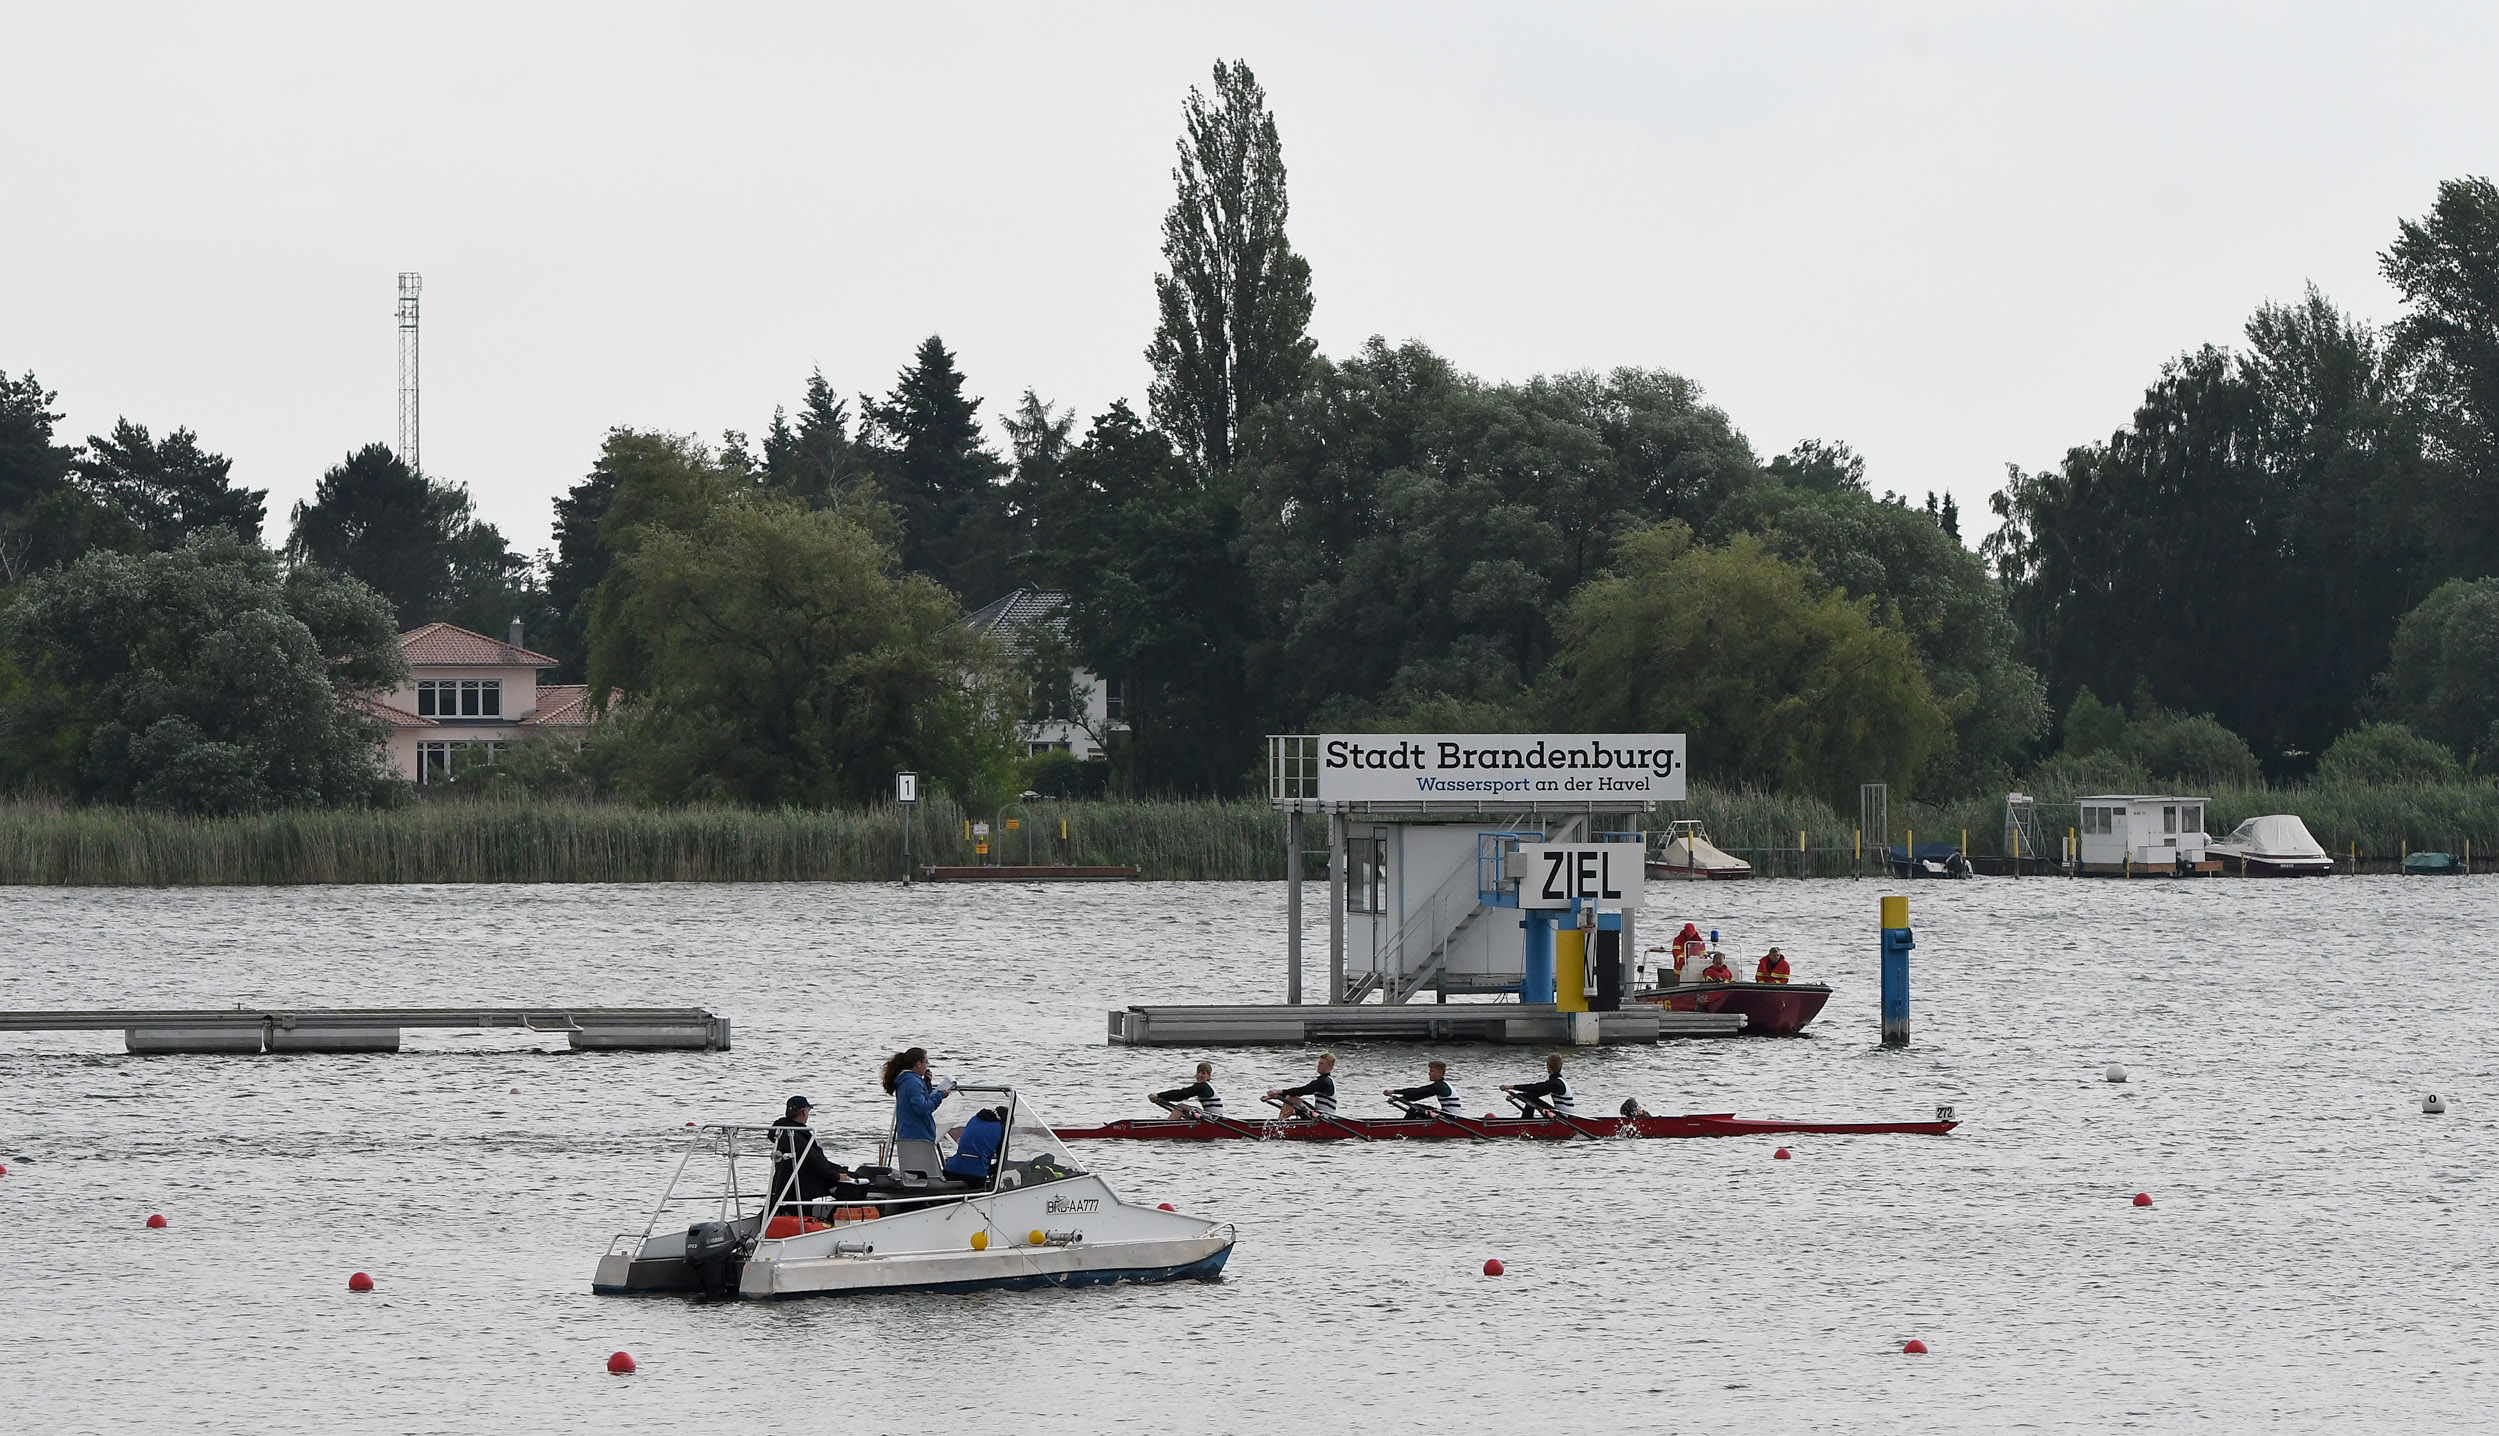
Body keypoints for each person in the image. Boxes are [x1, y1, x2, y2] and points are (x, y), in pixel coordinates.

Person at [769, 1095, 856, 1213]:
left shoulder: (781, 1132)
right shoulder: (797, 1135)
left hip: (786, 1184)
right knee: (856, 1185)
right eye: (808, 1110)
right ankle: (835, 1219)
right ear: (804, 1112)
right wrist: (837, 1175)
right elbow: (814, 1160)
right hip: (803, 1185)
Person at [882, 1046, 953, 1180]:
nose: (927, 1065)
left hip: (907, 1135)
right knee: (926, 1176)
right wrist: (939, 1096)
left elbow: (916, 1101)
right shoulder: (913, 1082)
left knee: (914, 1173)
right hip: (919, 1137)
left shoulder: (906, 1081)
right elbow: (922, 1109)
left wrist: (926, 1084)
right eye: (926, 1062)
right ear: (918, 1063)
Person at [1265, 1052, 1338, 1119]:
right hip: (1319, 1114)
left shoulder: (1325, 1082)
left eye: (1322, 1064)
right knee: (1290, 1100)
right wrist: (1275, 1097)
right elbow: (1297, 1092)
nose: (1318, 1066)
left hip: (1325, 1118)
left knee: (1291, 1098)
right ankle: (1280, 1124)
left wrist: (1278, 1092)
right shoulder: (1323, 1080)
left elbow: (1302, 1091)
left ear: (1330, 1066)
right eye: (1319, 1063)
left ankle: (1278, 1126)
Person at [943, 1106, 1005, 1185]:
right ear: (1005, 1122)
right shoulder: (1000, 1129)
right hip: (976, 1175)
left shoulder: (974, 1119)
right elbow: (1002, 1159)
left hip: (951, 1170)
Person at [1504, 1053, 1576, 1118]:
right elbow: (1536, 1092)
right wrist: (1517, 1095)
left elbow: (1534, 1087)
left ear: (1549, 1067)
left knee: (1531, 1098)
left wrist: (1512, 1087)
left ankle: (1525, 1123)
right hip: (1563, 1115)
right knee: (1532, 1097)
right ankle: (1526, 1121)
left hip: (1564, 1118)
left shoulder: (1556, 1083)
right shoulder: (1558, 1081)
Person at [1384, 1059, 1461, 1116]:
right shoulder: (1440, 1085)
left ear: (1439, 1073)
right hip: (1446, 1114)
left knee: (1415, 1109)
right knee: (1415, 1108)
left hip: (1450, 1117)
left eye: (1432, 1071)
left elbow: (1419, 1092)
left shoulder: (1440, 1086)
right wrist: (1398, 1099)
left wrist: (1394, 1091)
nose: (1429, 1073)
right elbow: (1417, 1096)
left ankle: (1404, 1130)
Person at [1152, 1061, 1225, 1120]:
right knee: (1183, 1110)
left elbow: (1181, 1094)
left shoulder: (1203, 1087)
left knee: (1180, 1107)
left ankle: (1167, 1129)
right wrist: (1159, 1099)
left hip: (1215, 1118)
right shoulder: (1205, 1086)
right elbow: (1181, 1094)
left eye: (1203, 1073)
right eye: (1198, 1072)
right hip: (1211, 1116)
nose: (1200, 1075)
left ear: (1209, 1076)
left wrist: (1159, 1095)